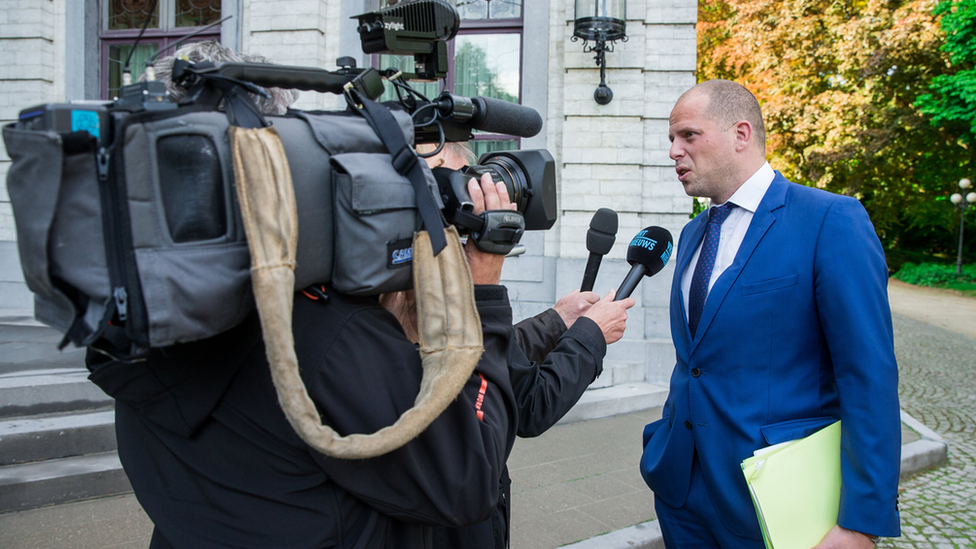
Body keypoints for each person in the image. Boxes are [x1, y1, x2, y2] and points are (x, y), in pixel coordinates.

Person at [639, 80, 901, 548]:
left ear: (741, 134)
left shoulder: (829, 220)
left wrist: (862, 520)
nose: (674, 151)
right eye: (671, 139)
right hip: (681, 493)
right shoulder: (693, 234)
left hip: (776, 498)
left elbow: (868, 376)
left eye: (688, 135)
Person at [388, 141, 636, 548]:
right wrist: (590, 335)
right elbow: (530, 404)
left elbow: (496, 356)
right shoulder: (395, 303)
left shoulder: (426, 287)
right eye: (448, 187)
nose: (468, 203)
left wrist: (557, 321)